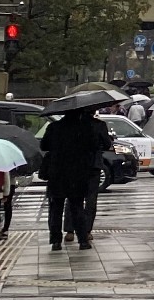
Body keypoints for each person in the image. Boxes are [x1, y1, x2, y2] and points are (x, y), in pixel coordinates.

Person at [43, 107, 111, 250]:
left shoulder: (54, 127)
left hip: (57, 172)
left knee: (56, 208)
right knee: (77, 207)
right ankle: (83, 240)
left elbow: (44, 145)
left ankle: (56, 241)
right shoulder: (85, 129)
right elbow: (94, 146)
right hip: (77, 173)